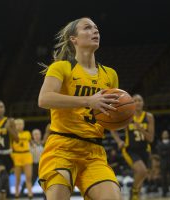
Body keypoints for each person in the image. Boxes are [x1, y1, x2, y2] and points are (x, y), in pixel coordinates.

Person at [38, 17, 121, 200]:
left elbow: (112, 116)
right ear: (73, 39)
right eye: (88, 28)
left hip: (94, 152)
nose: (95, 31)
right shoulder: (61, 67)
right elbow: (44, 99)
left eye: (96, 28)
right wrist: (88, 101)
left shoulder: (110, 75)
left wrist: (121, 117)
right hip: (62, 148)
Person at [111, 94, 154, 200]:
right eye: (135, 100)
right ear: (131, 103)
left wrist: (141, 129)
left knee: (142, 174)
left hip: (144, 149)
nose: (138, 102)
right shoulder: (128, 116)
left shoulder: (149, 117)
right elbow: (112, 128)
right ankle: (134, 190)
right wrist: (118, 141)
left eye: (140, 100)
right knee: (141, 171)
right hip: (130, 149)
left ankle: (135, 195)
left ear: (143, 103)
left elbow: (151, 139)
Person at [11, 119, 33, 198]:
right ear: (15, 126)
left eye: (21, 124)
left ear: (23, 125)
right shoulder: (13, 134)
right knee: (17, 178)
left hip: (26, 155)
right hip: (16, 156)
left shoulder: (27, 133)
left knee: (28, 178)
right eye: (17, 124)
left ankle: (30, 194)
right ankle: (16, 194)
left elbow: (31, 143)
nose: (19, 126)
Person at [20, 128, 44, 196]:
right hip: (32, 165)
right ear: (32, 136)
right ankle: (21, 192)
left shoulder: (44, 143)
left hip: (41, 165)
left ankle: (46, 195)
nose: (36, 135)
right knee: (31, 181)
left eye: (38, 134)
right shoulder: (28, 144)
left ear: (40, 135)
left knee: (44, 180)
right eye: (35, 134)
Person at [156, 130, 170, 196]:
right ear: (162, 135)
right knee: (163, 178)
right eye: (164, 134)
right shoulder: (159, 144)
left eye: (166, 134)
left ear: (168, 135)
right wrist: (168, 152)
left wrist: (165, 152)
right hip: (163, 163)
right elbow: (160, 153)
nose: (165, 135)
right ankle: (164, 192)